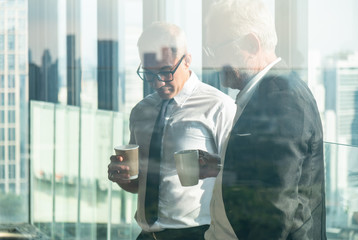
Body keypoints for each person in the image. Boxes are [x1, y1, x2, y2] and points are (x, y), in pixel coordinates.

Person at [202, 0, 327, 239]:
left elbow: (275, 212)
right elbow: (264, 174)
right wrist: (223, 166)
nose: (213, 61)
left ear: (250, 44)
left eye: (217, 49)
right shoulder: (265, 93)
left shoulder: (283, 101)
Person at [108, 22, 236, 240]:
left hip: (197, 234)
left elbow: (237, 176)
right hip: (146, 235)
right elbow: (142, 185)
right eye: (148, 73)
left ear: (187, 60)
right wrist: (122, 178)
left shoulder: (218, 106)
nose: (157, 83)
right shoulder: (141, 112)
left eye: (166, 72)